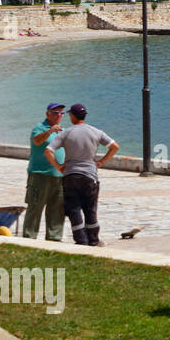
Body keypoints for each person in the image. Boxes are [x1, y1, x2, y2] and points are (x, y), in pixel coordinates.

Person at [45, 103, 118, 247]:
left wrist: (59, 167)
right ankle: (93, 240)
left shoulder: (66, 133)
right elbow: (114, 146)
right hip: (90, 176)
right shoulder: (96, 132)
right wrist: (101, 162)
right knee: (90, 209)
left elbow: (48, 151)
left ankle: (81, 240)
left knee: (73, 208)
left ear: (72, 116)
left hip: (71, 175)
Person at [23, 102, 67, 241]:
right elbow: (36, 141)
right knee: (35, 208)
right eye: (55, 112)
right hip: (39, 175)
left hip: (59, 176)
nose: (58, 115)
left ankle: (54, 238)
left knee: (57, 210)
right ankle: (29, 238)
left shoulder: (63, 131)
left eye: (61, 113)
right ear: (47, 113)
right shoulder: (39, 128)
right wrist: (49, 131)